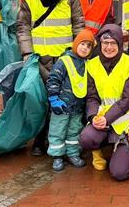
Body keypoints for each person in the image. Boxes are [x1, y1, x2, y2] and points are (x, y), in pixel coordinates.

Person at [17, 0, 85, 156]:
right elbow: (23, 26)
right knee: (42, 101)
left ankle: (64, 138)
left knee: (65, 99)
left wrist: (77, 52)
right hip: (39, 58)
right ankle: (40, 138)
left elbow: (78, 24)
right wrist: (27, 52)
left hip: (65, 58)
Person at [79, 24, 129, 181]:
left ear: (120, 44)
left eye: (113, 43)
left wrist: (107, 118)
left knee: (119, 173)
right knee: (86, 138)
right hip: (102, 120)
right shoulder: (91, 64)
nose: (108, 47)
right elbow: (92, 97)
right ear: (100, 44)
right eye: (105, 43)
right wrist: (93, 117)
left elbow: (128, 99)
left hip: (124, 123)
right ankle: (100, 149)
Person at [46, 29, 95, 172]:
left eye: (88, 46)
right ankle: (57, 156)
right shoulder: (64, 61)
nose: (85, 48)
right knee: (57, 131)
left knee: (74, 132)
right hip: (61, 106)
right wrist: (54, 99)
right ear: (76, 44)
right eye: (82, 44)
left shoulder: (88, 64)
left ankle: (72, 153)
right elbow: (53, 79)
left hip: (77, 108)